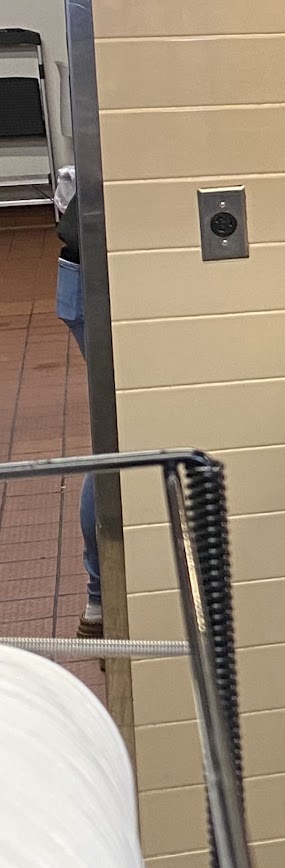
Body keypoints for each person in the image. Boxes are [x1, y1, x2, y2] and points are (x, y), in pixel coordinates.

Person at [54, 176, 101, 637]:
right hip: (98, 279)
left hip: (84, 271)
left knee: (114, 439)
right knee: (116, 443)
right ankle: (100, 597)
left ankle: (99, 600)